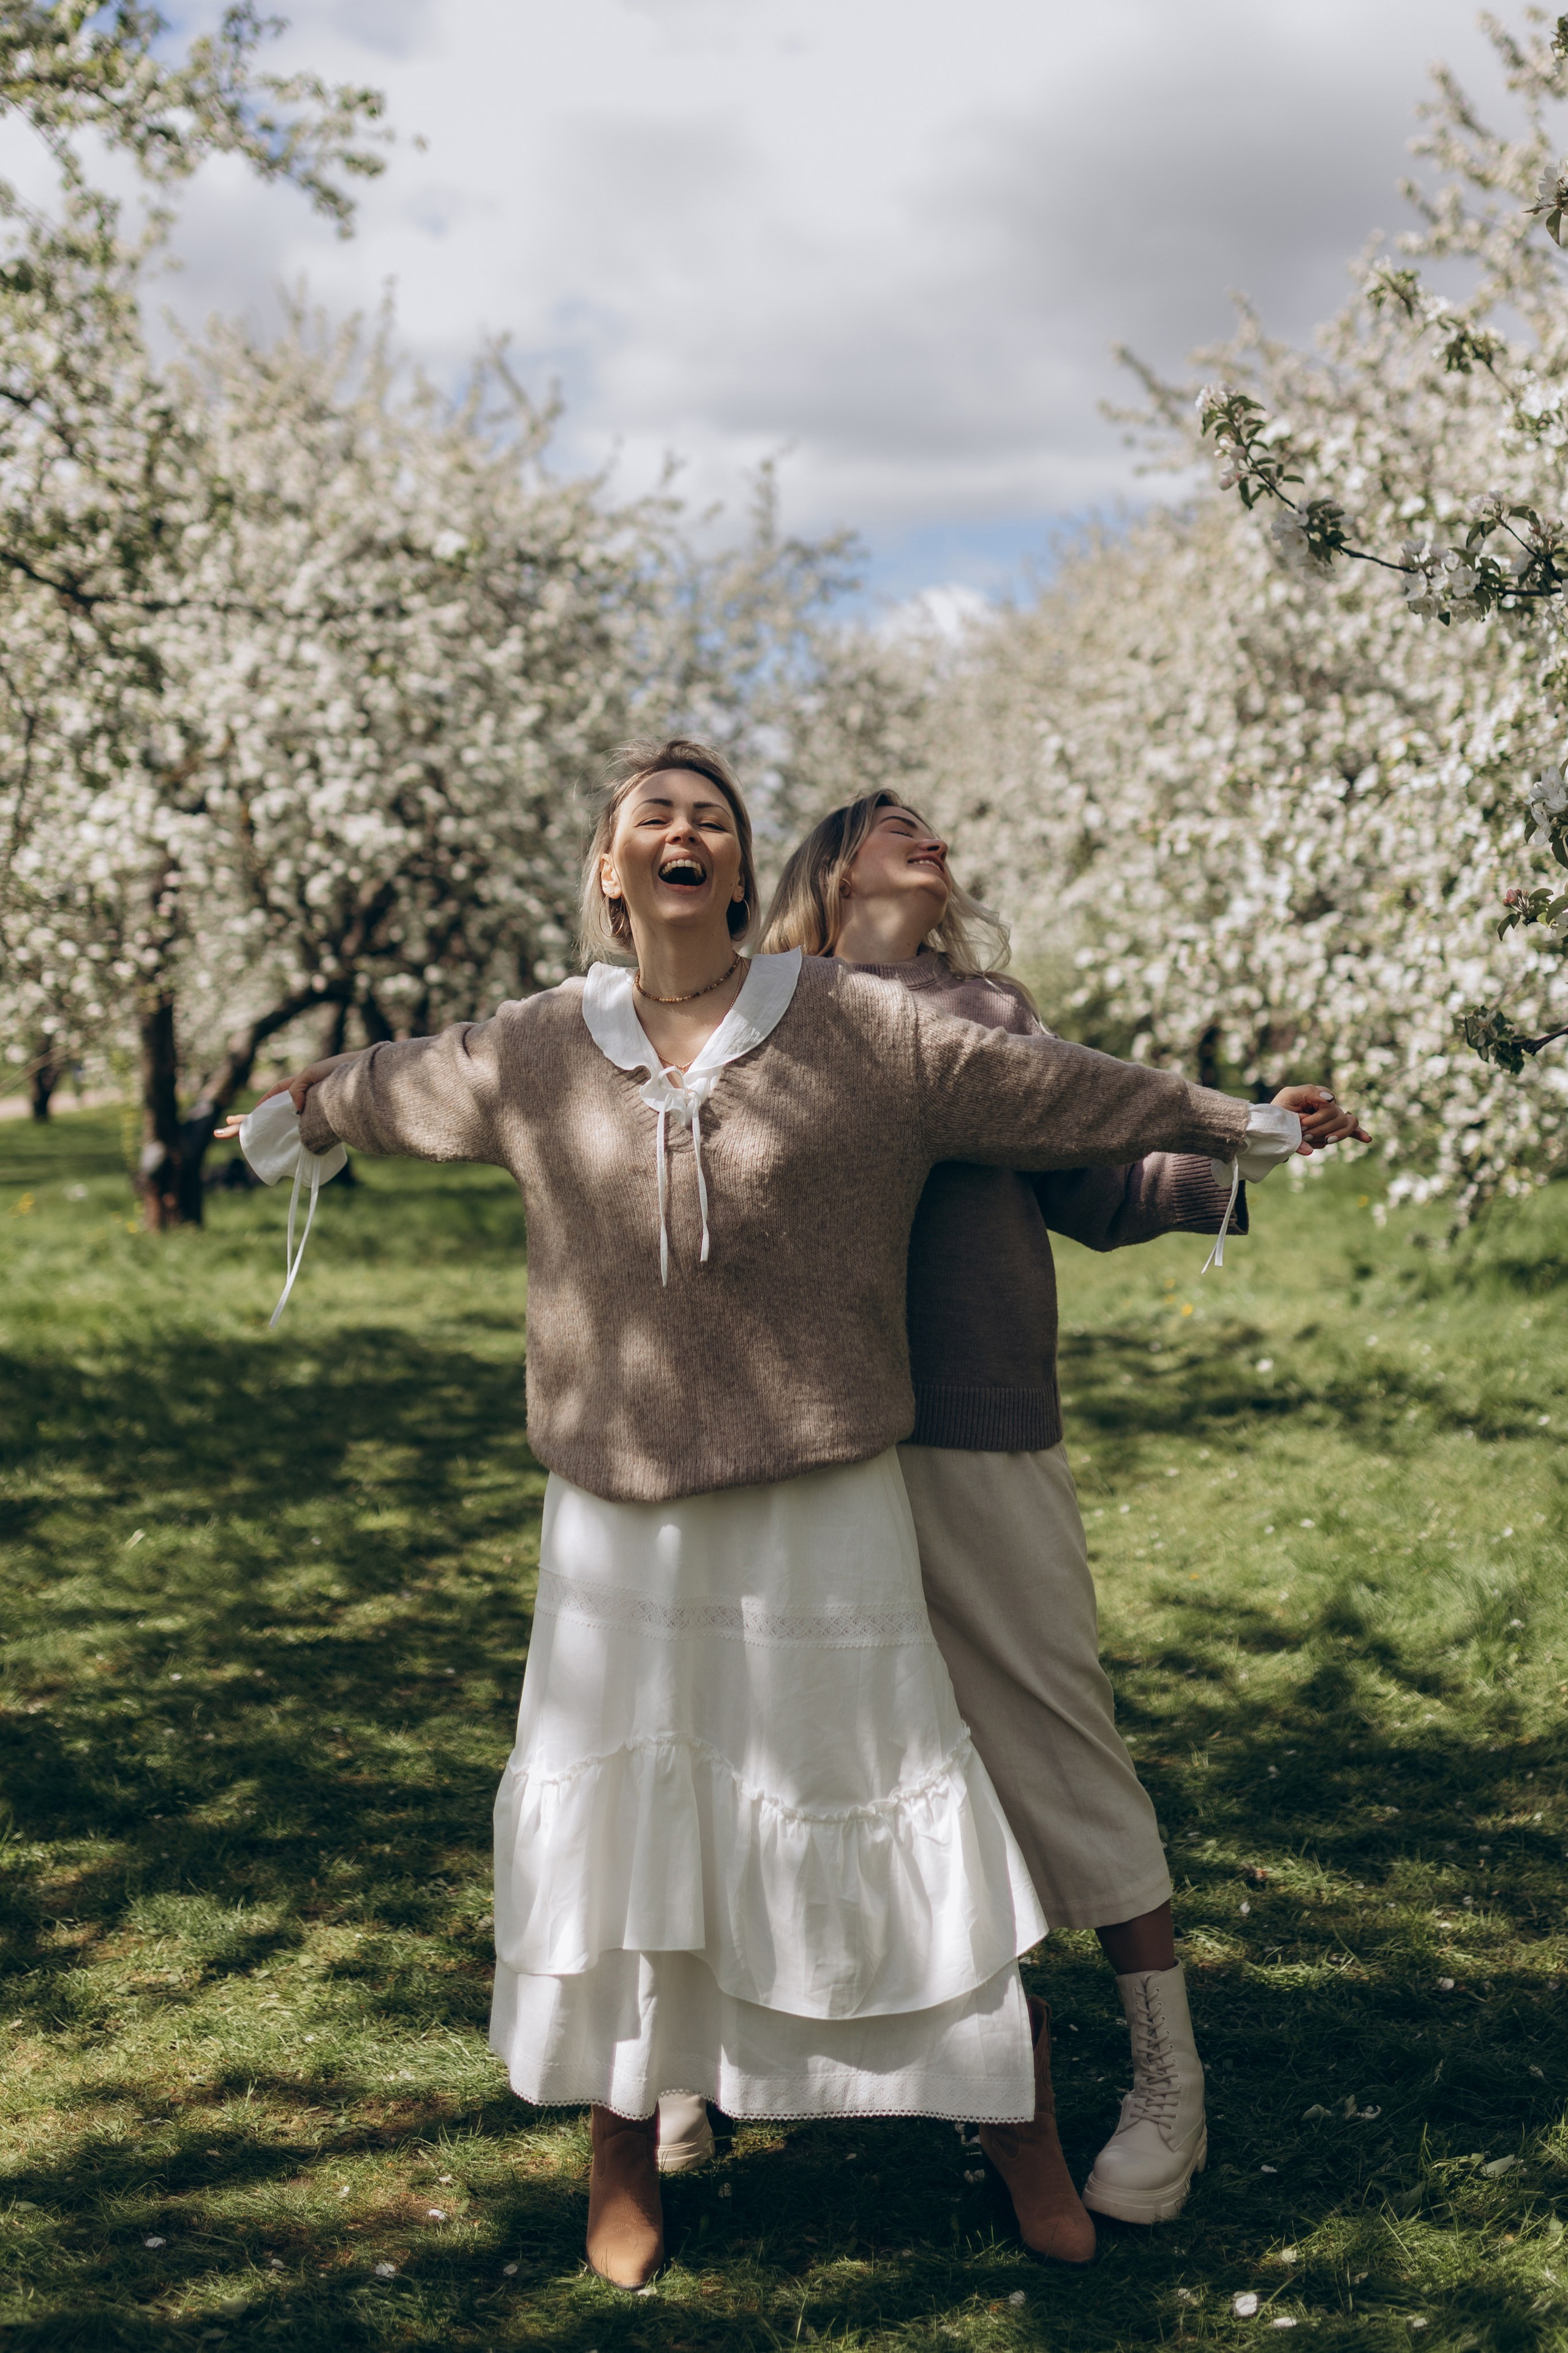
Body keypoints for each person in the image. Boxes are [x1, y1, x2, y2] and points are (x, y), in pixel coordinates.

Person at [220, 739, 1294, 2287]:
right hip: (611, 1514)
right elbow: (404, 1081)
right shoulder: (537, 1046)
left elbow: (1055, 1094)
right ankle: (627, 2140)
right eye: (650, 818)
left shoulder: (856, 1026)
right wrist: (305, 1105)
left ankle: (1020, 2130)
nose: (681, 832)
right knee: (626, 1817)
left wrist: (1226, 1121)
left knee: (881, 1789)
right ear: (609, 871)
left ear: (740, 871)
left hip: (825, 1493)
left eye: (710, 820)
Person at [740, 789, 1367, 2227]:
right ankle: (870, 2072)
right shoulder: (762, 1012)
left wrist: (1241, 1148)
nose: (930, 833)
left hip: (975, 1421)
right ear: (832, 864)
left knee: (1049, 1731)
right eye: (895, 820)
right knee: (819, 1747)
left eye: (931, 825)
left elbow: (1094, 1176)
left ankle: (1167, 2073)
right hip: (804, 1438)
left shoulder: (986, 1008)